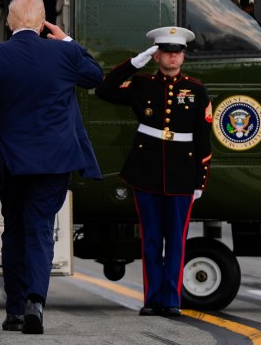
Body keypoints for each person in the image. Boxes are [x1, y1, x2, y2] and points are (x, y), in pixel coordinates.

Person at [0, 0, 103, 334]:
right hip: (55, 160)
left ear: (10, 21)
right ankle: (35, 302)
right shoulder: (65, 53)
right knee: (40, 229)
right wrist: (69, 40)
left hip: (10, 161)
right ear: (44, 22)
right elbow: (95, 76)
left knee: (14, 230)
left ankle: (14, 311)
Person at [94, 26, 212, 317]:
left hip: (182, 174)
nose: (173, 58)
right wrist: (135, 62)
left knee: (175, 239)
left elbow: (203, 138)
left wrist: (200, 178)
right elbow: (104, 89)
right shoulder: (142, 84)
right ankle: (151, 298)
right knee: (150, 238)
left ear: (183, 57)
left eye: (177, 53)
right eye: (167, 52)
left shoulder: (196, 90)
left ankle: (171, 300)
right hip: (146, 172)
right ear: (157, 55)